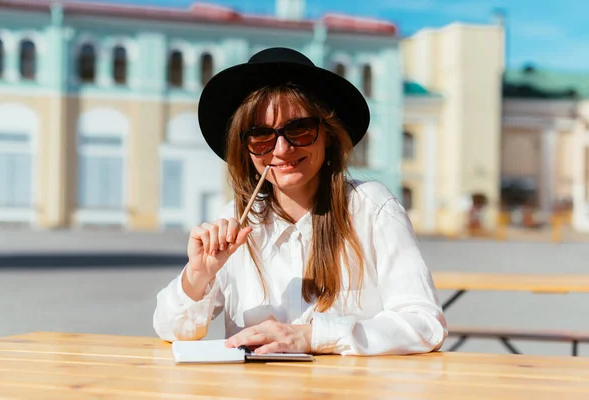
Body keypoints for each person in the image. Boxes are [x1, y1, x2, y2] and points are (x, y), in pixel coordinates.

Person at [153, 47, 447, 356]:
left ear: (328, 134)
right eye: (261, 135)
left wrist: (312, 336)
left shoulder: (371, 208)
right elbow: (171, 329)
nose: (281, 149)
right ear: (246, 150)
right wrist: (199, 275)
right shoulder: (236, 222)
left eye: (299, 129)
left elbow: (426, 325)